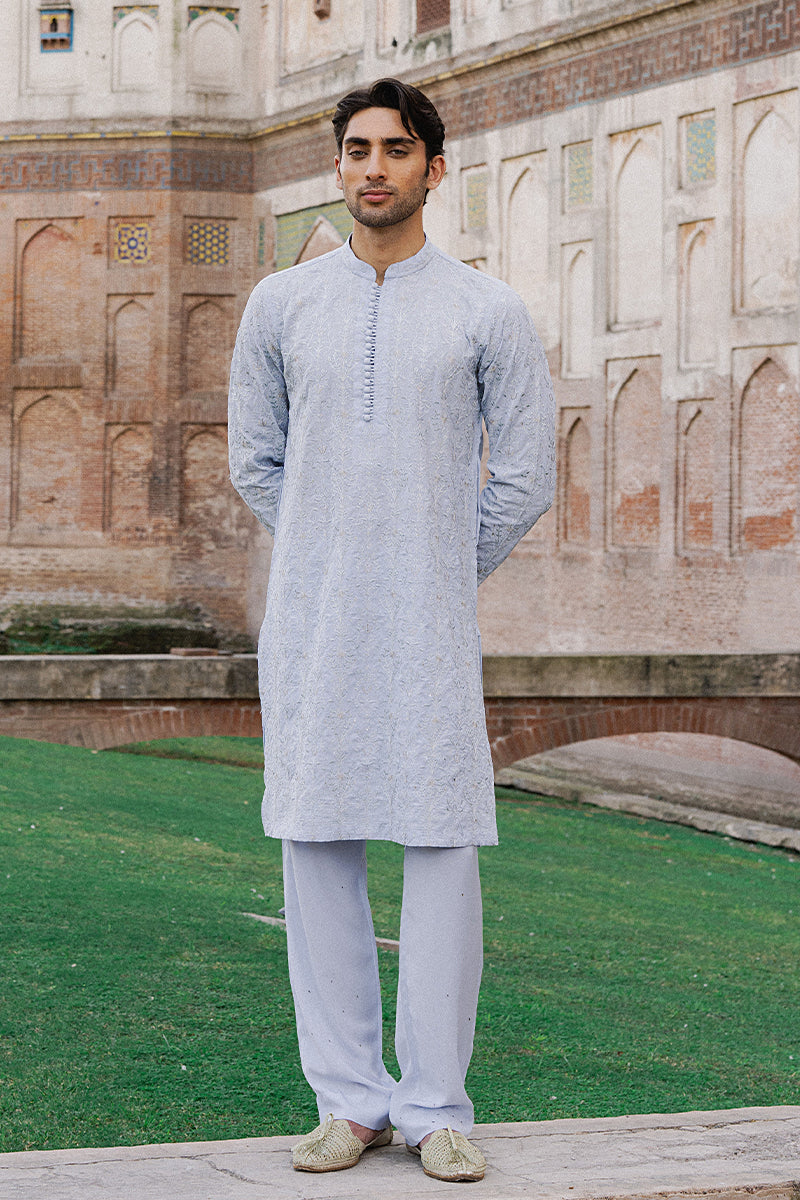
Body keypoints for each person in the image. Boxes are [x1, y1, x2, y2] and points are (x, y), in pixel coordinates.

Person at [228, 77, 555, 1184]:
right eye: (359, 149)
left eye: (398, 149)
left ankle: (435, 1107)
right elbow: (255, 459)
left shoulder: (484, 310)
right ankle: (347, 1101)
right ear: (337, 165)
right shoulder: (281, 305)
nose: (376, 167)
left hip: (428, 628)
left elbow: (523, 476)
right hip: (312, 620)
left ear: (433, 168)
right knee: (315, 845)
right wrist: (340, 553)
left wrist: (428, 566)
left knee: (441, 849)